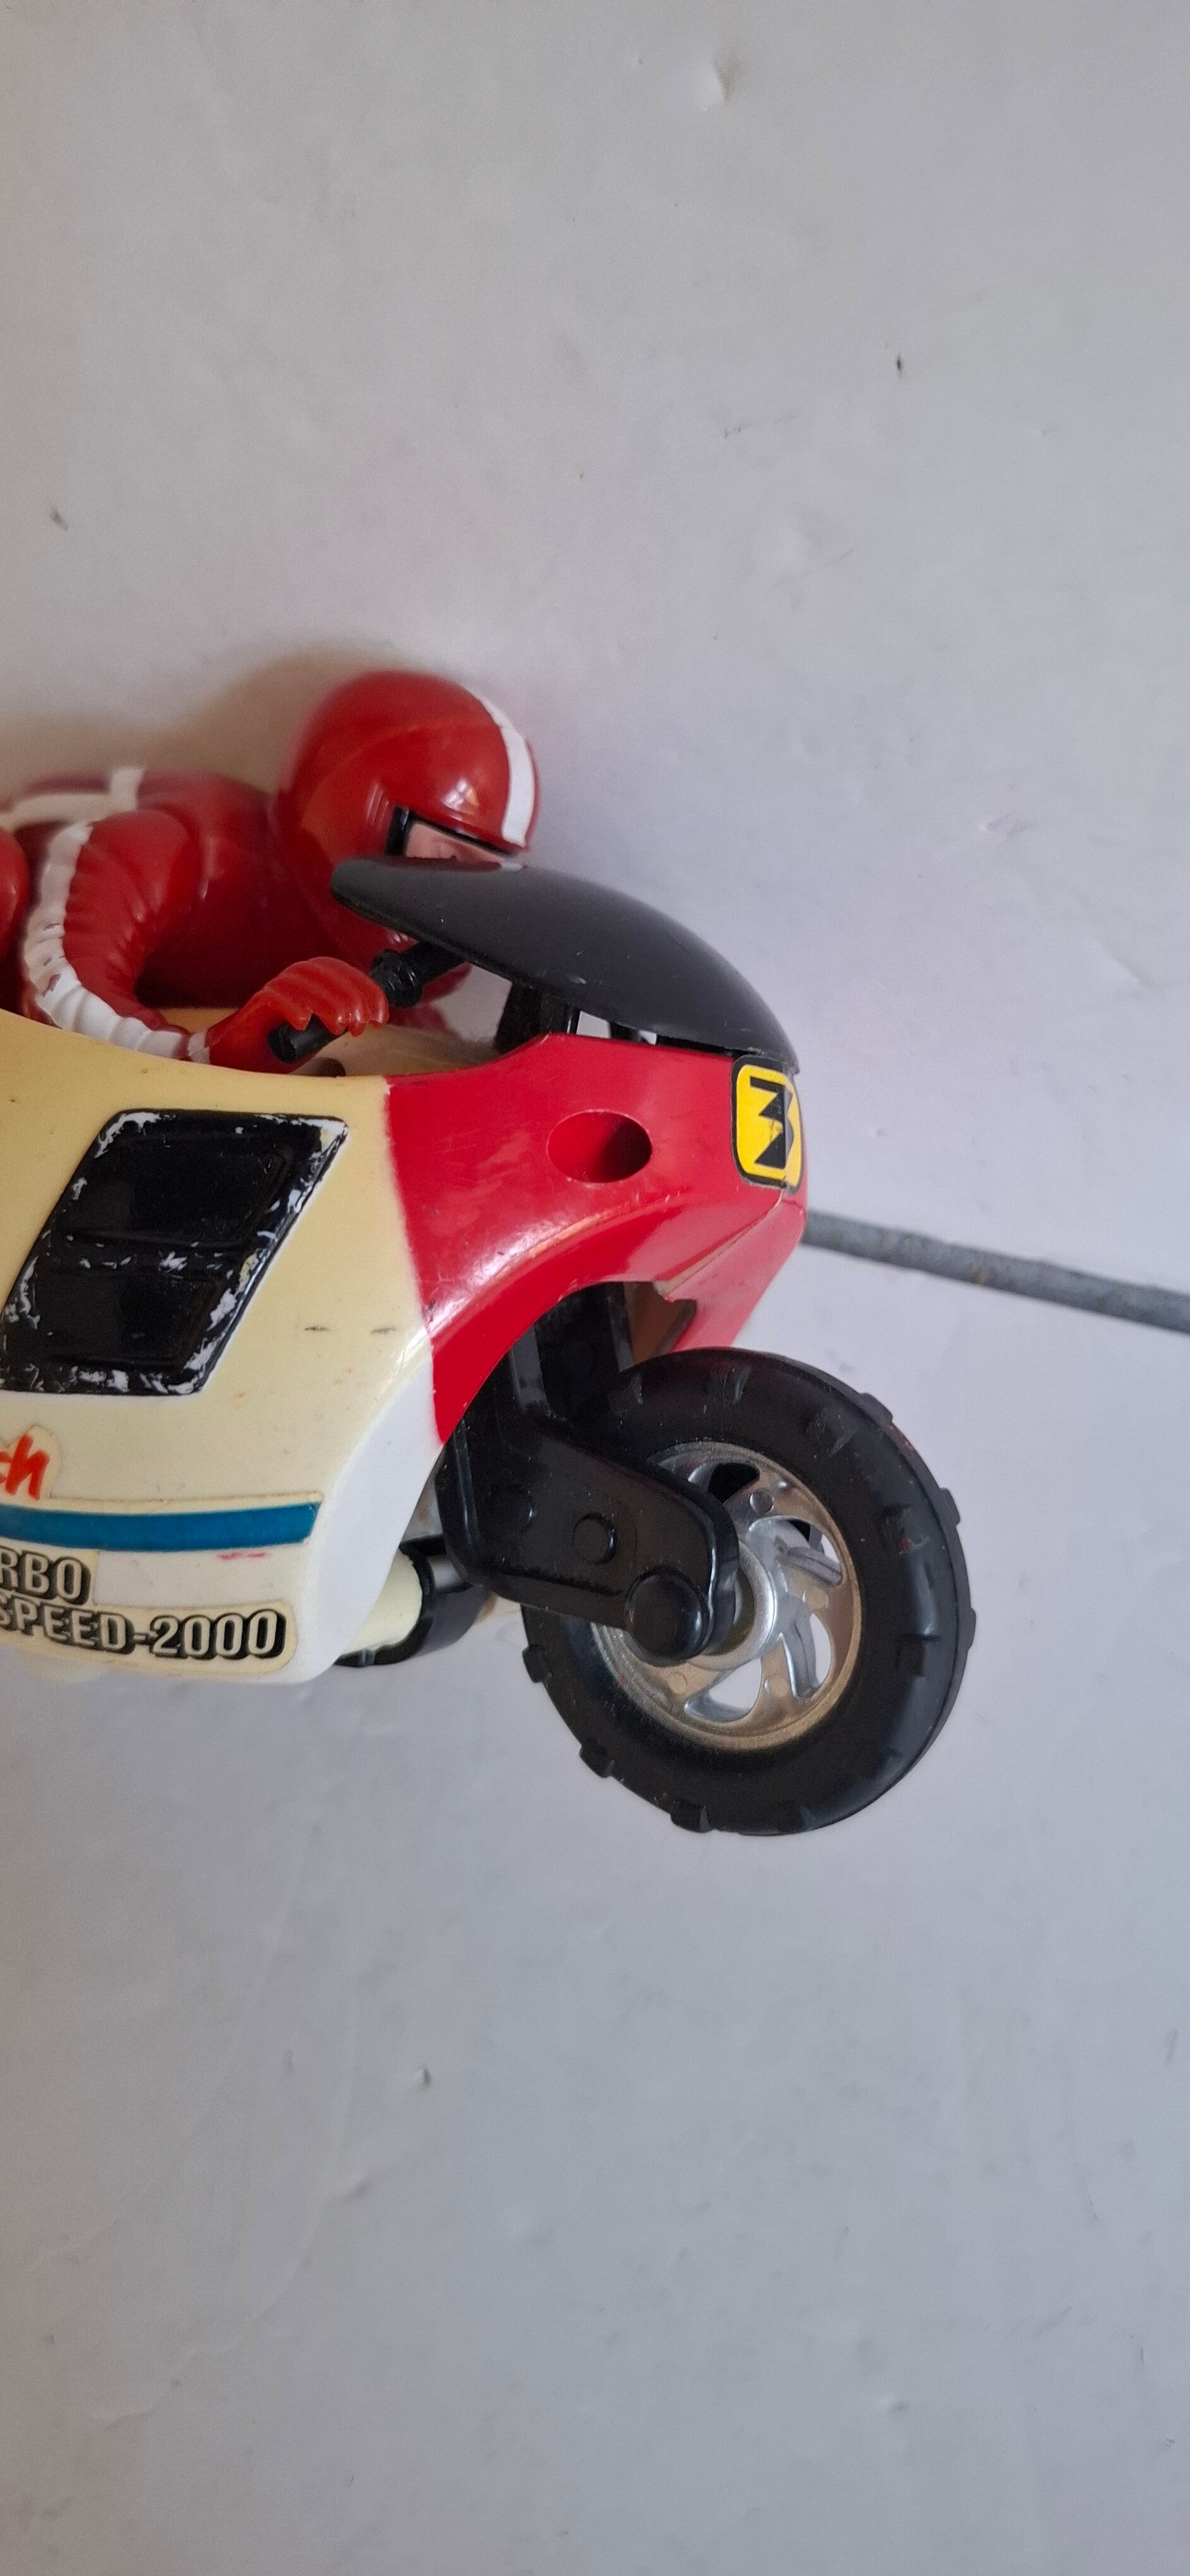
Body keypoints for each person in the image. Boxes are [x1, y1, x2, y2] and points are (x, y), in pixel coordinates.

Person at [0, 670, 538, 1071]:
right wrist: (210, 1053)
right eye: (447, 859)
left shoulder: (380, 979)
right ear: (360, 810)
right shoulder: (180, 854)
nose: (465, 899)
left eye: (491, 874)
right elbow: (57, 997)